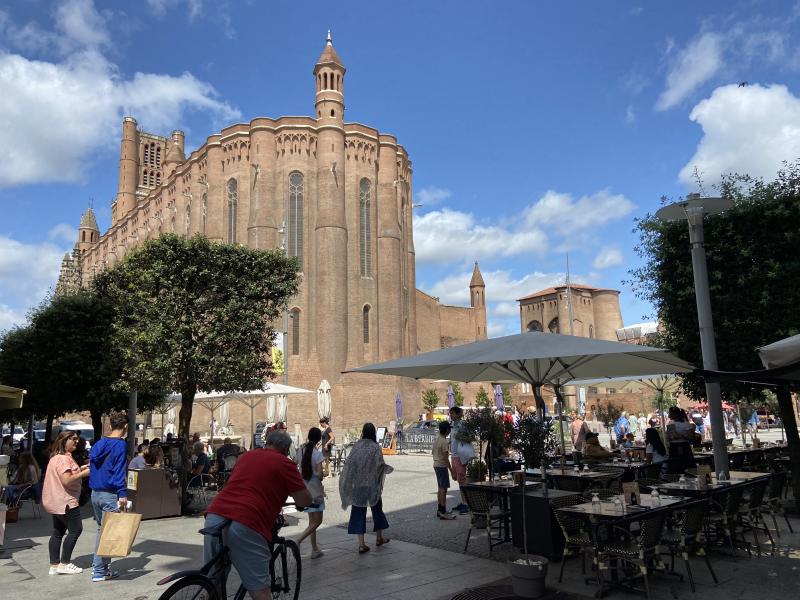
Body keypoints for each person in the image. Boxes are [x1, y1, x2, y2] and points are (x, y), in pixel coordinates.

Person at [203, 431, 311, 600]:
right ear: (285, 448)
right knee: (260, 590)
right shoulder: (285, 463)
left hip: (216, 514)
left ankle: (206, 592)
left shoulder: (245, 457)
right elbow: (304, 499)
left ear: (267, 442)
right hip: (247, 521)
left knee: (214, 578)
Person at [339, 423, 393, 553]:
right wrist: (387, 469)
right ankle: (379, 537)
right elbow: (380, 465)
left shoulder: (356, 446)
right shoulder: (375, 447)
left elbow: (350, 464)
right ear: (373, 433)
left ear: (363, 432)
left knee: (358, 510)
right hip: (371, 484)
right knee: (377, 508)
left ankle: (361, 544)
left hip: (358, 485)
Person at [89, 410, 129, 582]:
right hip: (110, 493)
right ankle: (98, 570)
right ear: (125, 427)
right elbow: (119, 471)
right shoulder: (120, 445)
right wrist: (122, 494)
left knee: (102, 530)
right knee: (107, 533)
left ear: (111, 425)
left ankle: (103, 569)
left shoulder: (99, 443)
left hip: (95, 493)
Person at [43, 431, 90, 575]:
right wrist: (85, 473)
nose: (77, 441)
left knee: (58, 531)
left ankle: (54, 565)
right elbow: (67, 480)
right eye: (73, 439)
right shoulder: (63, 459)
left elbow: (68, 473)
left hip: (56, 501)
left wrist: (81, 468)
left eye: (77, 439)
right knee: (76, 530)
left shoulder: (56, 457)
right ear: (64, 440)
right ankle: (64, 563)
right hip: (66, 501)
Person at [294, 427, 325, 558]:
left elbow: (294, 465)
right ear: (319, 439)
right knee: (317, 521)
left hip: (304, 489)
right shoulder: (317, 454)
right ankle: (298, 540)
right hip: (315, 491)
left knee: (312, 520)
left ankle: (314, 549)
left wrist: (302, 473)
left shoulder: (300, 450)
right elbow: (320, 475)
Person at [448, 406, 471, 515]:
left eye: (452, 413)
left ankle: (467, 504)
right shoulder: (452, 425)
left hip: (460, 455)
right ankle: (463, 501)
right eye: (450, 413)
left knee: (462, 479)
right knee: (458, 480)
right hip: (454, 455)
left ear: (458, 414)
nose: (451, 415)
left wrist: (460, 437)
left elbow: (470, 438)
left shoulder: (463, 425)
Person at [432, 421, 457, 520]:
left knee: (440, 488)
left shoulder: (437, 440)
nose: (450, 430)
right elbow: (446, 458)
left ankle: (440, 509)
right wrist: (451, 471)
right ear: (447, 430)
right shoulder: (444, 442)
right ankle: (443, 511)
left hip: (436, 464)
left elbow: (433, 452)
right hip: (442, 466)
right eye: (449, 429)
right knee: (443, 488)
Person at [665, 406, 698, 473]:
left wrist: (681, 436)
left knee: (685, 466)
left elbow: (691, 437)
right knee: (674, 467)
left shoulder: (685, 423)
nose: (668, 415)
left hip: (683, 446)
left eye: (670, 413)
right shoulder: (670, 423)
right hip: (673, 446)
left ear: (675, 414)